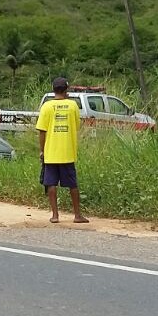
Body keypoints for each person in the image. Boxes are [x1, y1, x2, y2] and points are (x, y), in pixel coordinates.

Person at [35, 77, 89, 224]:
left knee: (51, 183)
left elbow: (42, 131)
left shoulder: (46, 106)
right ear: (66, 90)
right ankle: (77, 215)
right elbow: (76, 126)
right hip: (67, 152)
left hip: (51, 152)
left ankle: (55, 215)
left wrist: (42, 150)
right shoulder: (72, 106)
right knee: (72, 184)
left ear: (53, 89)